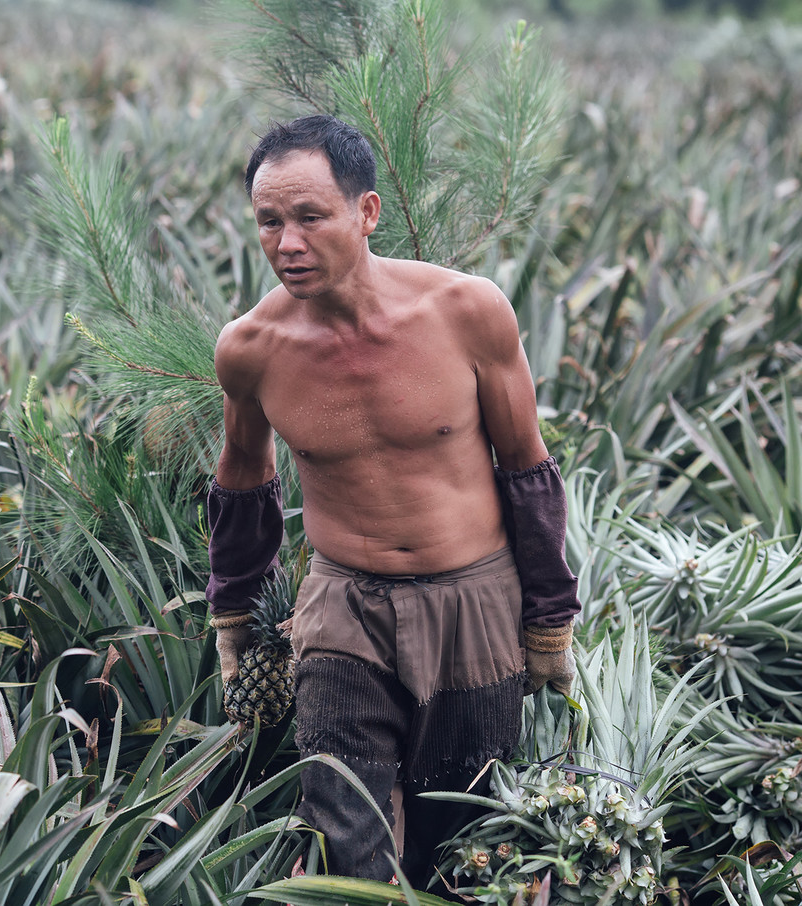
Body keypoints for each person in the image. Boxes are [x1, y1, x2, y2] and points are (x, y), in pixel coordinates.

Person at [205, 114, 581, 890]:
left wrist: (549, 619)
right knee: (345, 817)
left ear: (366, 212)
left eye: (311, 217)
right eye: (269, 223)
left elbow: (526, 468)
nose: (288, 243)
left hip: (471, 602)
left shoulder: (466, 312)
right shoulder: (251, 349)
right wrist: (233, 617)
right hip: (345, 606)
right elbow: (244, 478)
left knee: (460, 827)